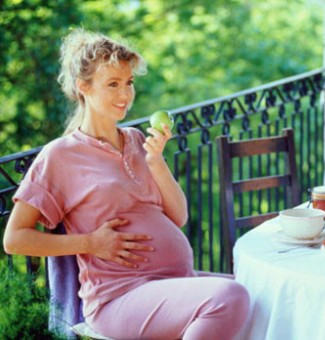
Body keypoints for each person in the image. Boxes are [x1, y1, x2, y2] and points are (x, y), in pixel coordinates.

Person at [3, 28, 249, 340]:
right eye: (113, 84)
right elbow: (14, 240)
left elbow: (178, 217)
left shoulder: (135, 139)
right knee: (229, 297)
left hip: (170, 282)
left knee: (260, 292)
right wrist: (90, 242)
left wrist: (156, 160)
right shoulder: (60, 155)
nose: (125, 94)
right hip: (118, 299)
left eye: (129, 83)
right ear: (84, 88)